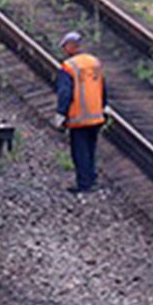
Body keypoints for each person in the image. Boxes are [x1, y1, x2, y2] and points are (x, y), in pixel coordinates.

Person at [52, 31, 106, 194]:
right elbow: (103, 87)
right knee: (91, 149)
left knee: (80, 151)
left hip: (78, 117)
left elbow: (65, 93)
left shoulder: (69, 67)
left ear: (70, 47)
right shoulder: (94, 63)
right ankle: (92, 178)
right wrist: (104, 106)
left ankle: (84, 184)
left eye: (65, 47)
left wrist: (61, 114)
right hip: (96, 115)